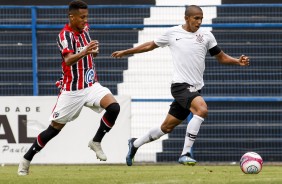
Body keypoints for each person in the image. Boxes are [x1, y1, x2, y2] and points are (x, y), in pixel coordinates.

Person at [111, 5, 250, 166]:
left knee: (166, 127)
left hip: (195, 88)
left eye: (201, 18)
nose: (199, 22)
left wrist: (237, 61)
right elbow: (150, 45)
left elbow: (220, 57)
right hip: (180, 86)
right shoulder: (173, 33)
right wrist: (126, 52)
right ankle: (185, 153)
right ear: (186, 18)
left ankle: (134, 144)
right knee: (202, 109)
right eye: (196, 18)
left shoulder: (206, 35)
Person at [18, 0, 120, 175]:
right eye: (81, 17)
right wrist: (85, 52)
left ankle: (96, 141)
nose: (85, 20)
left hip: (91, 84)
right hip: (72, 91)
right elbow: (68, 60)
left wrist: (93, 51)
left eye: (86, 17)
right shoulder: (65, 35)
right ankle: (26, 159)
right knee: (53, 129)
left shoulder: (85, 29)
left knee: (114, 107)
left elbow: (89, 52)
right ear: (71, 17)